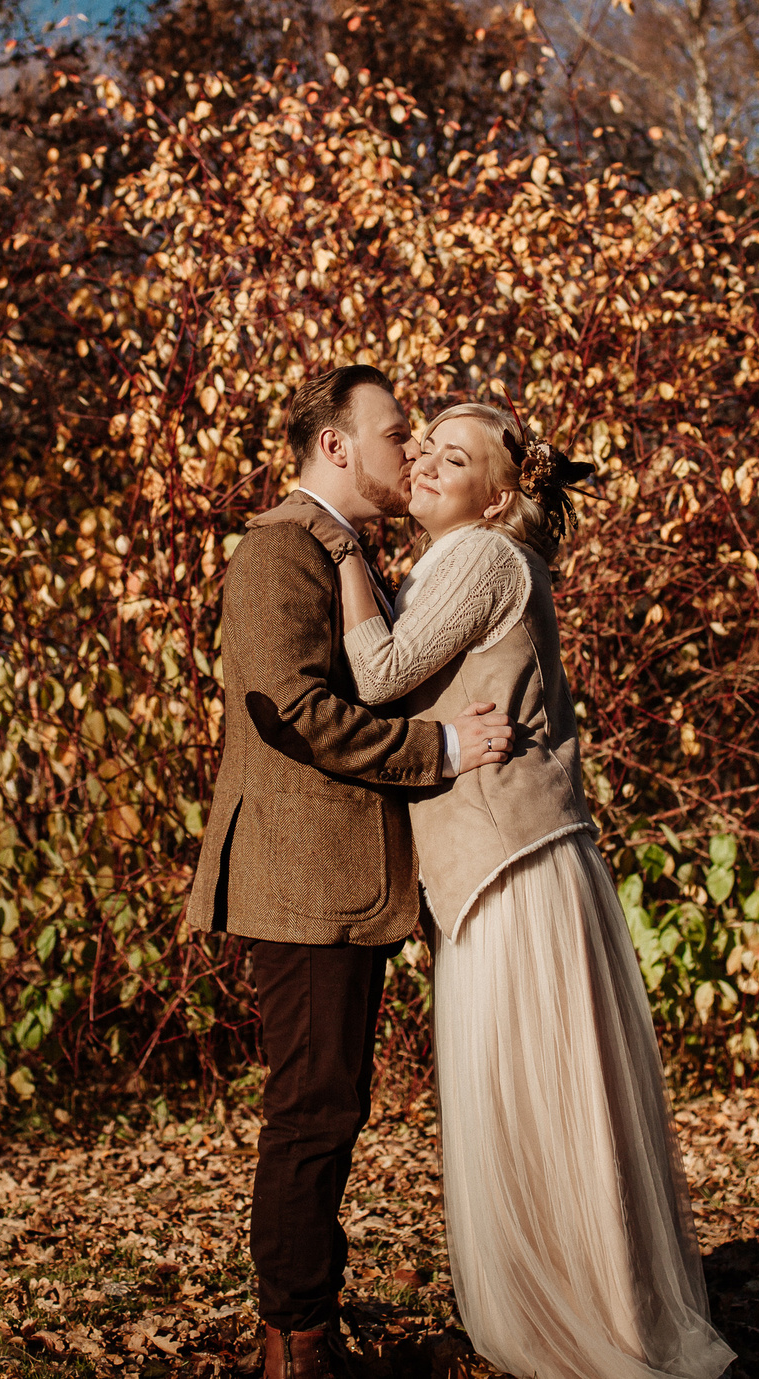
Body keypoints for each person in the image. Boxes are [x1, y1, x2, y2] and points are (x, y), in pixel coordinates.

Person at [337, 403, 734, 1379]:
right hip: (517, 860)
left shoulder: (478, 558)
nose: (426, 464)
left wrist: (337, 542)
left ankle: (569, 1325)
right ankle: (587, 1303)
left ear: (501, 494)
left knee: (525, 1104)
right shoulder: (475, 563)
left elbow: (379, 673)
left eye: (454, 457)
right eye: (423, 448)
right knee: (541, 1104)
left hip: (506, 869)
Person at [183, 365, 516, 1379]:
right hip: (299, 877)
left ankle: (305, 1316)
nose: (406, 451)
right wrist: (444, 752)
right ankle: (295, 1341)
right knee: (315, 1107)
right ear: (335, 445)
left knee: (330, 1101)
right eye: (391, 432)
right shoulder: (276, 551)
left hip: (338, 879)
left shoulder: (340, 553)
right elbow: (289, 711)